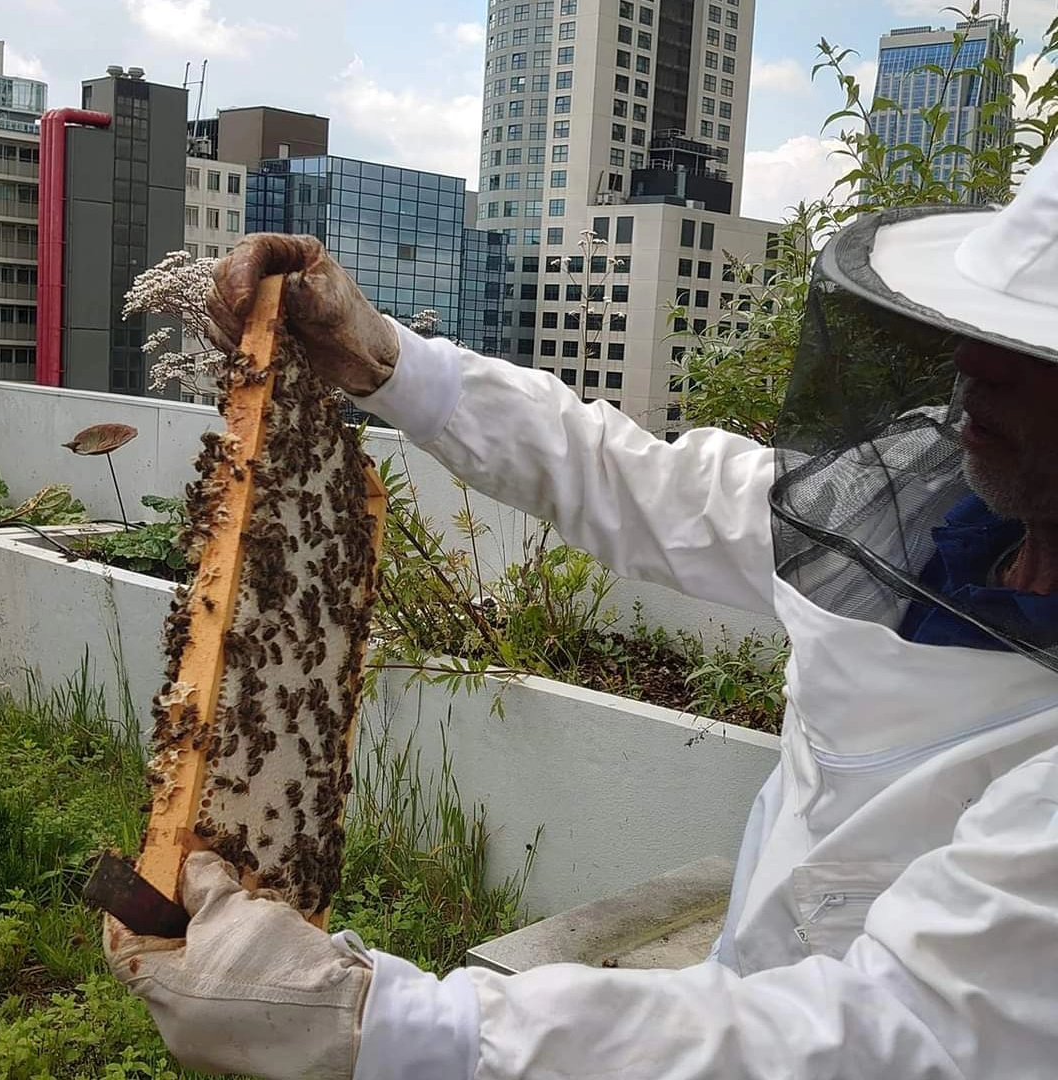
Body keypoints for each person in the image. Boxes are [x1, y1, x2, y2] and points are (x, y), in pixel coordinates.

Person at [105, 141, 1058, 1079]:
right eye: (982, 322)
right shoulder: (919, 512)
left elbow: (902, 1034)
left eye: (1028, 350)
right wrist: (389, 361)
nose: (970, 361)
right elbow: (644, 485)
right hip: (741, 988)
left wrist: (387, 1025)